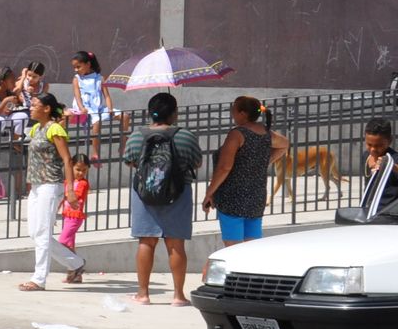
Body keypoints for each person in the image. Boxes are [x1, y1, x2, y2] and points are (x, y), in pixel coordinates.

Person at [123, 90, 204, 306]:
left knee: (146, 242)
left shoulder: (137, 135)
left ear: (150, 113)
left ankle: (143, 294)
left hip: (144, 193)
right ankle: (178, 296)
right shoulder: (186, 135)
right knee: (176, 244)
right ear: (174, 113)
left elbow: (130, 161)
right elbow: (197, 163)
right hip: (178, 192)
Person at [19, 93, 86, 291]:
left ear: (46, 109)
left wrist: (71, 190)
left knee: (42, 232)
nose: (31, 108)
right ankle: (75, 263)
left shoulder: (55, 128)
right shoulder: (35, 129)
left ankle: (39, 279)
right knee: (35, 232)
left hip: (51, 185)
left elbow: (67, 159)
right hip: (37, 185)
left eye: (35, 105)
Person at [203, 95, 290, 244]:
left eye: (233, 109)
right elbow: (285, 144)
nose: (231, 112)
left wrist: (209, 192)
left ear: (242, 113)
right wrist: (264, 162)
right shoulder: (266, 132)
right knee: (252, 248)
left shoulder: (237, 134)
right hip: (256, 198)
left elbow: (224, 167)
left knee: (233, 249)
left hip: (232, 198)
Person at [69, 51, 116, 163]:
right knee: (96, 121)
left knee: (125, 116)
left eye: (78, 67)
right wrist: (82, 108)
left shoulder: (99, 78)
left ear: (88, 64)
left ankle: (123, 144)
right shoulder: (77, 79)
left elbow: (107, 96)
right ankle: (95, 152)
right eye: (74, 67)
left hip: (97, 108)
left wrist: (110, 109)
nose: (76, 69)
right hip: (85, 107)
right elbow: (77, 96)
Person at [362, 120, 398, 215]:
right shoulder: (366, 156)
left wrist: (392, 166)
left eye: (379, 145)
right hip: (370, 211)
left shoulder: (394, 159)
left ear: (389, 141)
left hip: (389, 215)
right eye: (369, 144)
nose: (373, 149)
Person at [60, 153, 91, 261]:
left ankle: (78, 263)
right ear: (71, 167)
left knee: (63, 241)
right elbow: (62, 199)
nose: (81, 173)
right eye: (78, 169)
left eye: (84, 170)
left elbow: (74, 197)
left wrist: (66, 193)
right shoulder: (68, 183)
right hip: (67, 216)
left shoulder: (83, 183)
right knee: (69, 244)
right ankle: (74, 271)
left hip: (75, 217)